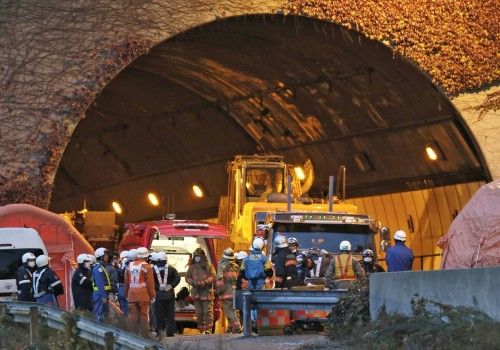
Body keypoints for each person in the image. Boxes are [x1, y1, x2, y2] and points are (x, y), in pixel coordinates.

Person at [125, 246, 156, 337]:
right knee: (144, 315)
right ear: (146, 256)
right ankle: (144, 336)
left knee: (133, 316)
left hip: (131, 294)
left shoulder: (128, 266)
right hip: (144, 295)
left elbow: (126, 282)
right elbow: (150, 284)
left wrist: (126, 294)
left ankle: (132, 335)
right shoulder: (147, 267)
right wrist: (152, 296)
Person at [186, 247, 216, 334]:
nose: (197, 258)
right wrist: (193, 282)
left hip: (206, 293)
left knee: (207, 311)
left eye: (199, 256)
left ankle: (208, 329)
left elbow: (213, 277)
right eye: (196, 256)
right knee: (199, 312)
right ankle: (201, 329)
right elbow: (187, 278)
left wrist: (205, 282)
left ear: (203, 256)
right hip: (196, 293)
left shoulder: (209, 266)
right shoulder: (192, 267)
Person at [152, 251, 180, 338]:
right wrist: (171, 286)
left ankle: (160, 332)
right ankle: (170, 332)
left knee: (159, 314)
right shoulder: (172, 269)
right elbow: (177, 278)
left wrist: (157, 286)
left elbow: (150, 281)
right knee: (170, 314)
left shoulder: (153, 270)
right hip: (169, 295)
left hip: (159, 296)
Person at [216, 248, 242, 334]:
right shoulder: (236, 266)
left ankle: (238, 327)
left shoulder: (221, 266)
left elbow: (219, 281)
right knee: (233, 310)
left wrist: (218, 292)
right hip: (235, 291)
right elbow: (239, 279)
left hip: (225, 293)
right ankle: (231, 329)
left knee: (228, 311)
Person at [91, 247, 112, 322]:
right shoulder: (98, 268)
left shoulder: (101, 267)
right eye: (105, 256)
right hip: (100, 294)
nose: (107, 257)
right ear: (101, 257)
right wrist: (104, 296)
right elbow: (100, 283)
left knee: (103, 315)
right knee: (99, 315)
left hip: (101, 294)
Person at [116, 250, 130, 316]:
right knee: (125, 305)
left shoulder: (126, 267)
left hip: (123, 287)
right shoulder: (120, 267)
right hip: (124, 287)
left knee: (124, 305)